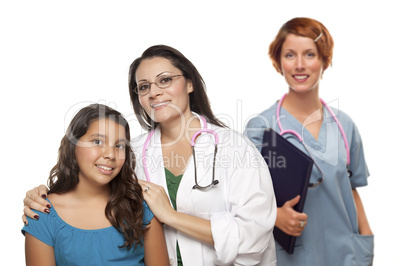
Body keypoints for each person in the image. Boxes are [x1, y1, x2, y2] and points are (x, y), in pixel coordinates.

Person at [22, 45, 277, 265]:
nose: (154, 92)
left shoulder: (235, 148)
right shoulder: (127, 153)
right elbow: (87, 191)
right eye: (144, 86)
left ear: (189, 83)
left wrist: (171, 216)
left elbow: (254, 237)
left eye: (165, 80)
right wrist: (42, 195)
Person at [244, 17, 374, 266]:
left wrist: (366, 242)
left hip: (347, 255)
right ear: (278, 62)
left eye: (310, 54)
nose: (299, 65)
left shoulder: (344, 125)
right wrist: (273, 216)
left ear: (325, 61)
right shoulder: (261, 128)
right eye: (290, 55)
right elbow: (244, 198)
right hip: (292, 257)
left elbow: (351, 190)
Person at [22, 104, 169, 265]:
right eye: (97, 141)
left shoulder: (140, 207)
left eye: (119, 145)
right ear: (73, 145)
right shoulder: (42, 213)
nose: (110, 154)